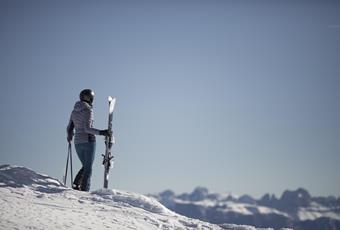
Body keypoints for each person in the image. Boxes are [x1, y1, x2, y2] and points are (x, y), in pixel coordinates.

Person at [66, 89, 110, 191]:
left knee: (86, 166)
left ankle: (77, 184)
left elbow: (69, 128)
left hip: (77, 143)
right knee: (88, 169)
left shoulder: (74, 112)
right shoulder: (88, 110)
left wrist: (69, 136)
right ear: (91, 99)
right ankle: (84, 191)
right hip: (89, 141)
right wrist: (102, 132)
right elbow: (87, 129)